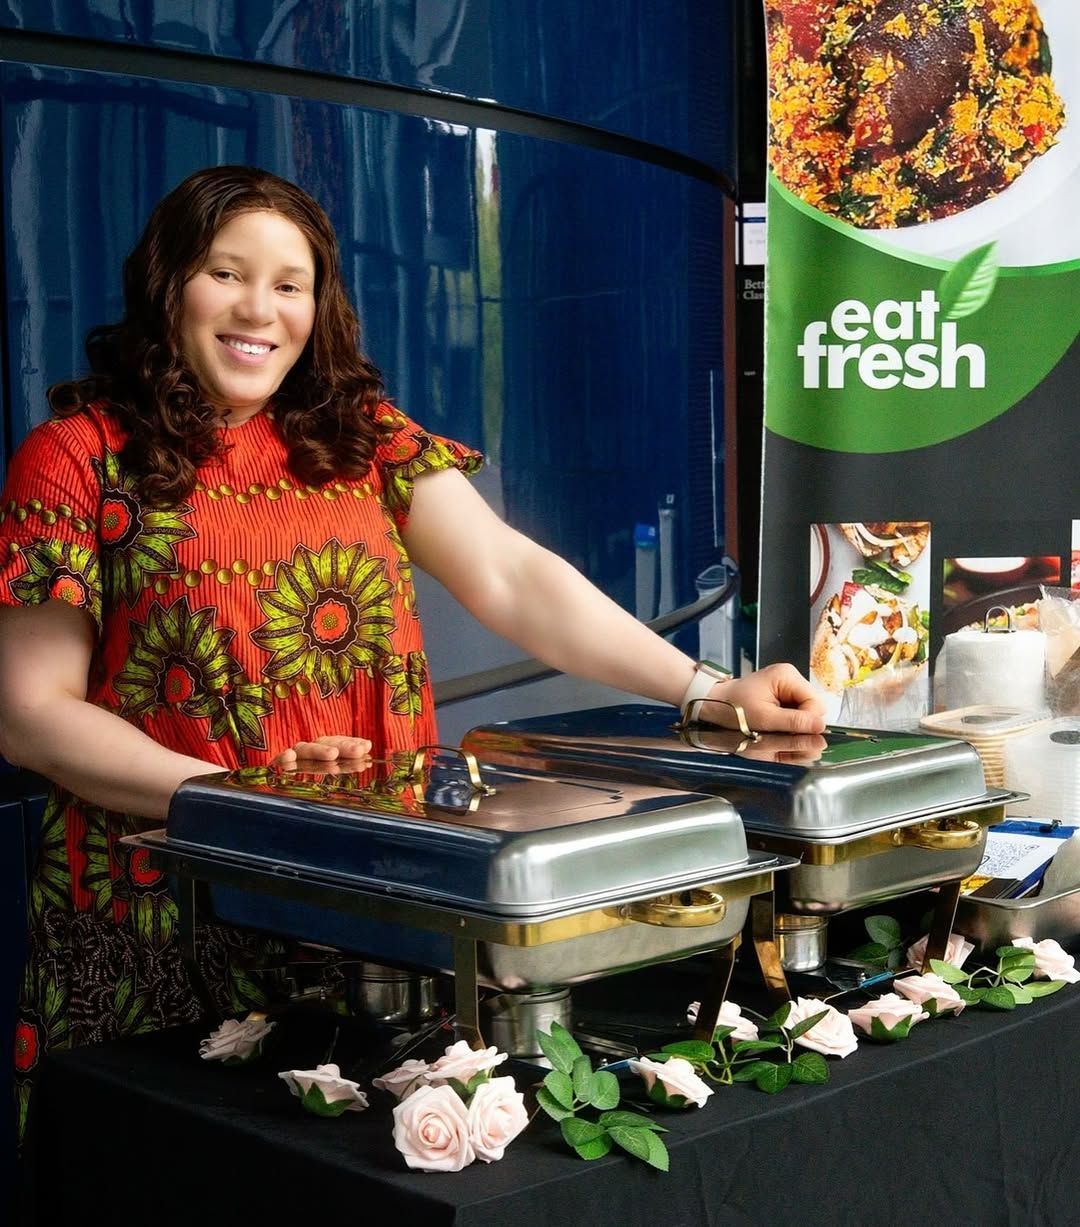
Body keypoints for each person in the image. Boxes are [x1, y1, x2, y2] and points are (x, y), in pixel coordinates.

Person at [0, 165, 825, 1138]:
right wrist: (247, 800)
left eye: (289, 283)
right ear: (167, 282)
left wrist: (710, 689)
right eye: (226, 273)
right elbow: (31, 715)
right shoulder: (77, 457)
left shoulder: (357, 439)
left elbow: (512, 577)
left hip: (371, 924)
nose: (258, 309)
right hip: (158, 927)